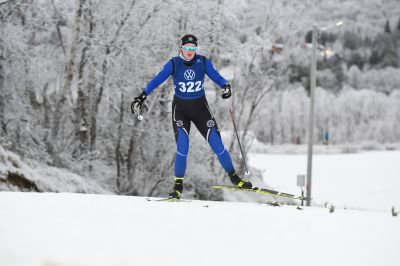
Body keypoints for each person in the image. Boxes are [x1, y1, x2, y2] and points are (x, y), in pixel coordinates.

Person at [131, 34, 252, 199]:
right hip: (181, 110)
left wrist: (225, 86)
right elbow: (157, 80)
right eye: (187, 48)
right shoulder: (174, 63)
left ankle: (235, 178)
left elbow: (216, 76)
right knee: (183, 145)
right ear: (181, 48)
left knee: (217, 144)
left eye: (193, 49)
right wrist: (141, 96)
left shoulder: (202, 62)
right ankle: (178, 186)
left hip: (201, 109)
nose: (190, 52)